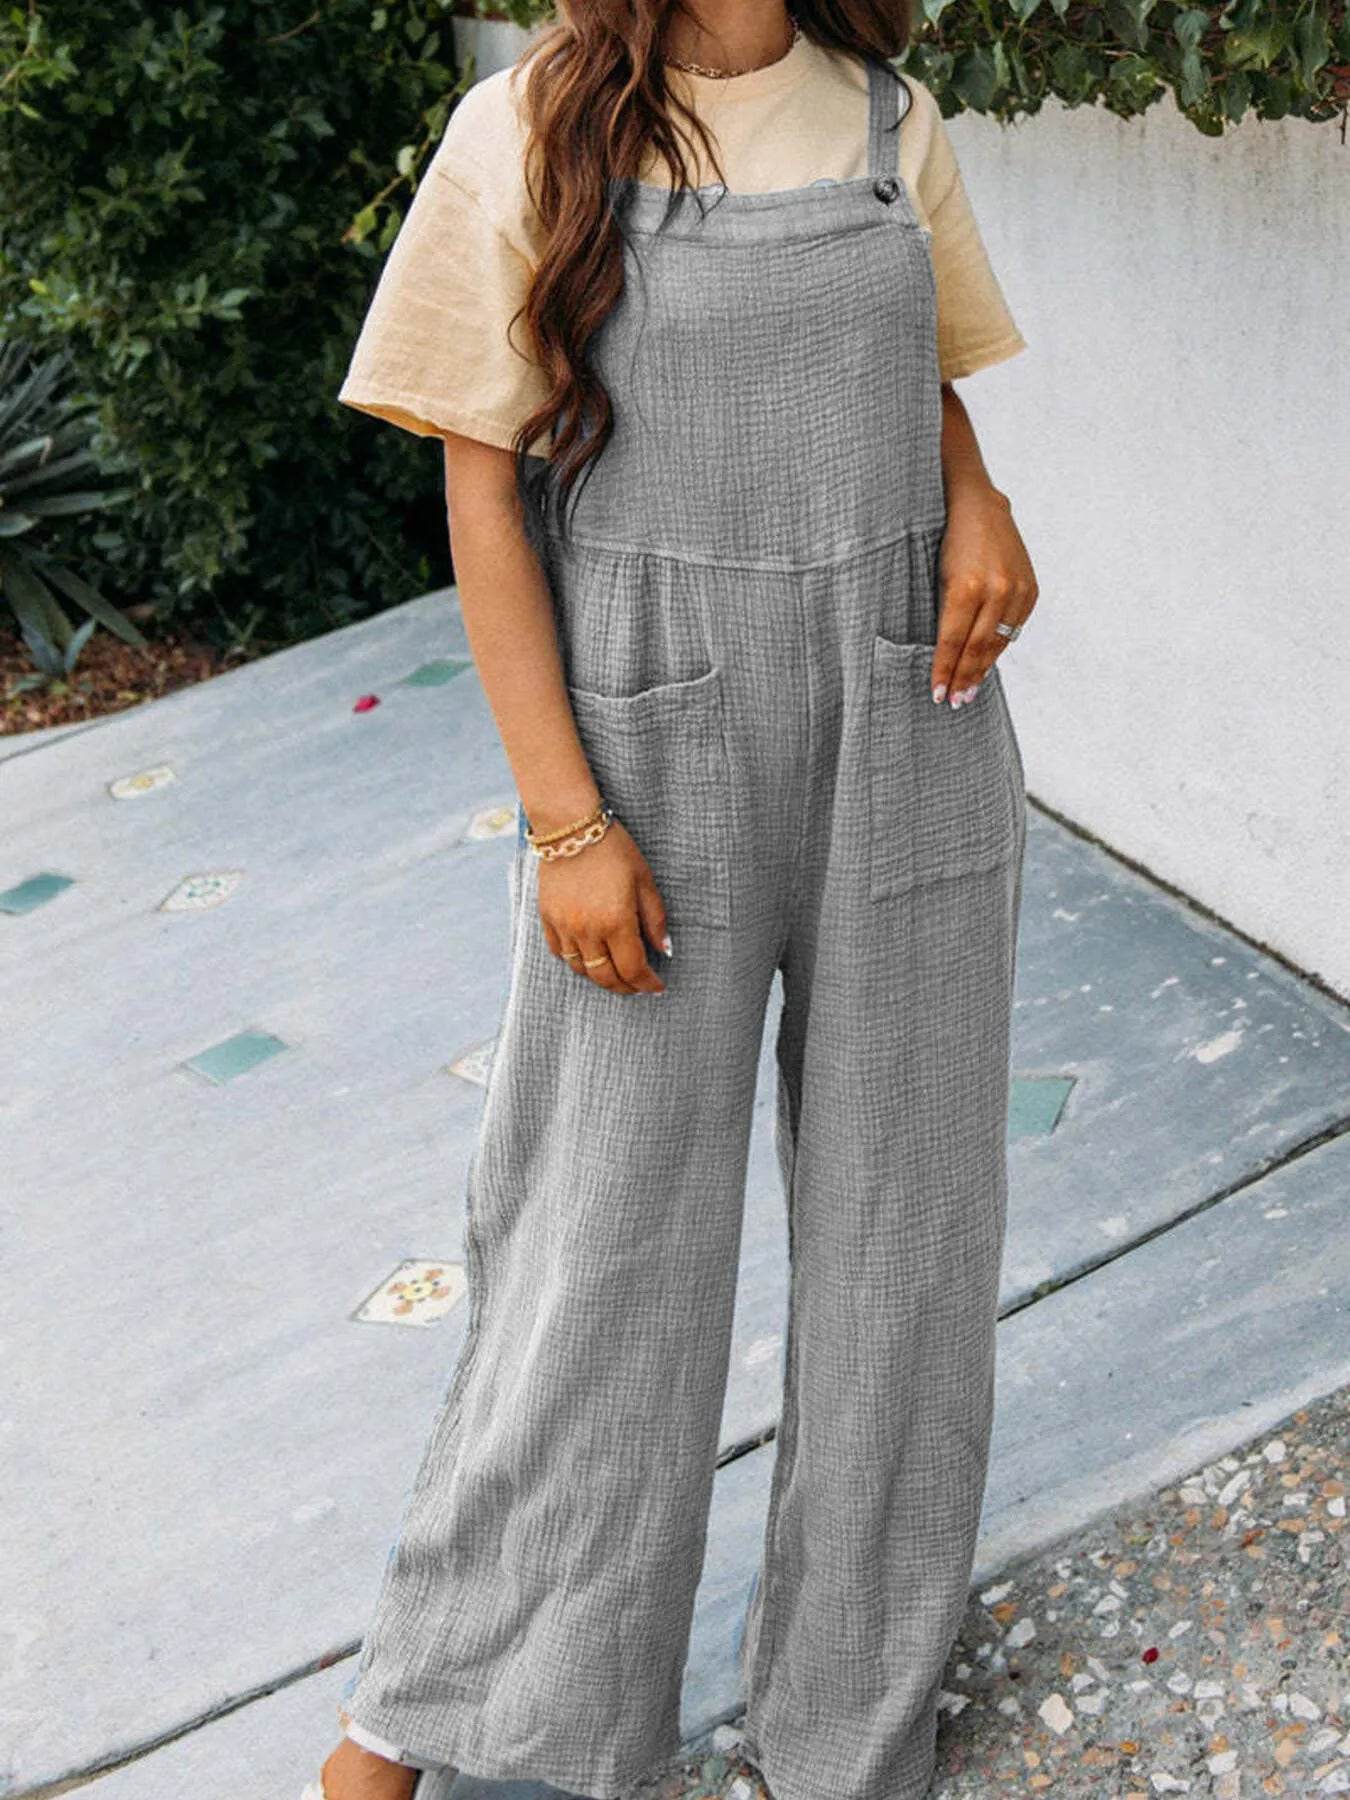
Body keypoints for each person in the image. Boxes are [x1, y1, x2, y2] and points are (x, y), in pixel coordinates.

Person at [305, 1, 1038, 1796]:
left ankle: (846, 1724)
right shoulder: (525, 129)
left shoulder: (883, 118)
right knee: (598, 1238)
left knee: (907, 1239)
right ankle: (448, 1703)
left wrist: (977, 496)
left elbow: (921, 379)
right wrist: (567, 823)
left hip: (914, 717)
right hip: (648, 738)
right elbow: (480, 492)